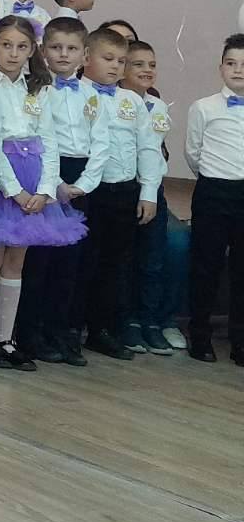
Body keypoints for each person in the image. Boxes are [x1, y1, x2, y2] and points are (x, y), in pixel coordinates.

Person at [0, 15, 86, 370]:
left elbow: (49, 141)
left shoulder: (38, 88)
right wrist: (15, 191)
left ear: (32, 50)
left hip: (35, 178)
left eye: (22, 47)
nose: (13, 53)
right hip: (2, 177)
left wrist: (46, 189)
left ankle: (7, 339)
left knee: (16, 261)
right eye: (6, 45)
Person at [17, 17, 104, 367]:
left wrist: (83, 184)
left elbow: (101, 143)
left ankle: (61, 331)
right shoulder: (35, 90)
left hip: (82, 178)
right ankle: (31, 334)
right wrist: (56, 185)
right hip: (45, 176)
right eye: (56, 47)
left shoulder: (92, 94)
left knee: (72, 265)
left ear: (85, 55)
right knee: (40, 262)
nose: (63, 54)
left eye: (71, 48)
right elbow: (37, 139)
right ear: (42, 51)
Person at [77, 26, 163, 362]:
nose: (116, 66)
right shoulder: (75, 94)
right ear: (87, 57)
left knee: (115, 264)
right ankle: (70, 327)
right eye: (108, 58)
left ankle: (103, 330)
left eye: (121, 61)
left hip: (124, 191)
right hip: (88, 191)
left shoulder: (132, 101)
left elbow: (148, 148)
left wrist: (149, 192)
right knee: (83, 261)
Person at [184, 35, 244, 364]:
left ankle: (240, 340)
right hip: (213, 191)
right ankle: (200, 334)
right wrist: (212, 177)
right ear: (220, 68)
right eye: (231, 63)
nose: (238, 70)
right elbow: (193, 153)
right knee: (206, 265)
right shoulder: (203, 107)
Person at [121, 40, 182, 354]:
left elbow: (157, 150)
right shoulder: (114, 101)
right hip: (124, 187)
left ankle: (150, 321)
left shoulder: (158, 106)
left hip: (152, 190)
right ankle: (127, 321)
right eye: (138, 64)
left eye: (152, 65)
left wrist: (153, 186)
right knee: (126, 258)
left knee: (153, 259)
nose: (147, 70)